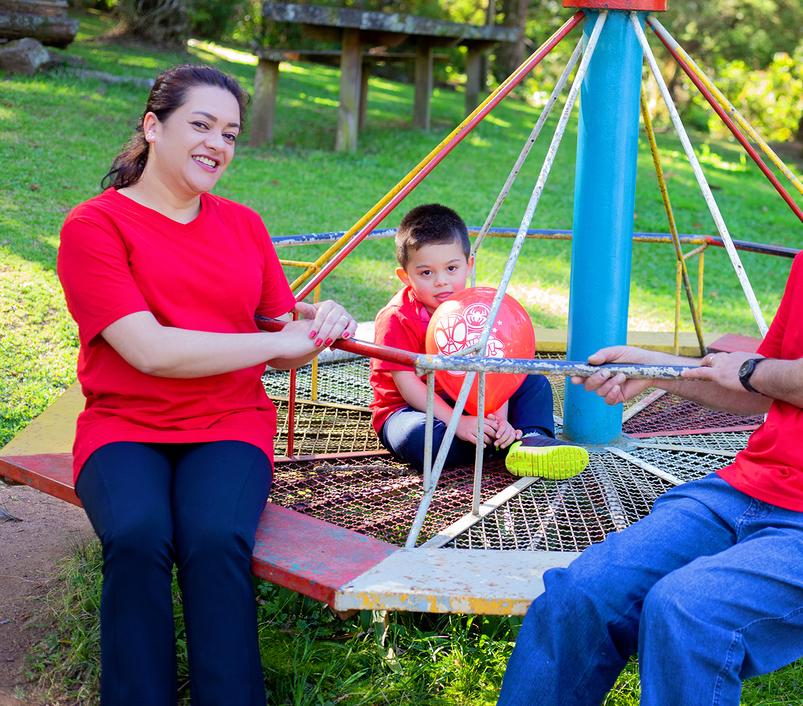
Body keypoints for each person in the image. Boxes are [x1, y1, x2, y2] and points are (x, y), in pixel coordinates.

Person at [496, 57, 803, 706]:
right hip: (746, 490)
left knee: (687, 612)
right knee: (582, 593)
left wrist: (750, 367)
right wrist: (660, 371)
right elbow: (759, 387)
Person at [56, 64, 357, 706]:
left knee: (214, 539)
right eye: (200, 124)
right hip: (124, 426)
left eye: (230, 132)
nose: (217, 144)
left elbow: (281, 336)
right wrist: (277, 341)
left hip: (228, 423)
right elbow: (149, 350)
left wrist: (320, 322)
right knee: (137, 536)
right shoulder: (94, 226)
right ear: (152, 127)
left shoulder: (243, 225)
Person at [369, 203, 588, 479]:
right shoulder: (396, 317)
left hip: (472, 396)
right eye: (426, 273)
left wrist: (497, 416)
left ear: (468, 265)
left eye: (451, 268)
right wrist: (458, 422)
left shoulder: (476, 308)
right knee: (418, 438)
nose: (441, 282)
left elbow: (495, 370)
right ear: (406, 276)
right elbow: (407, 385)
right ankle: (501, 443)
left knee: (533, 382)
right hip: (411, 408)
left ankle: (531, 439)